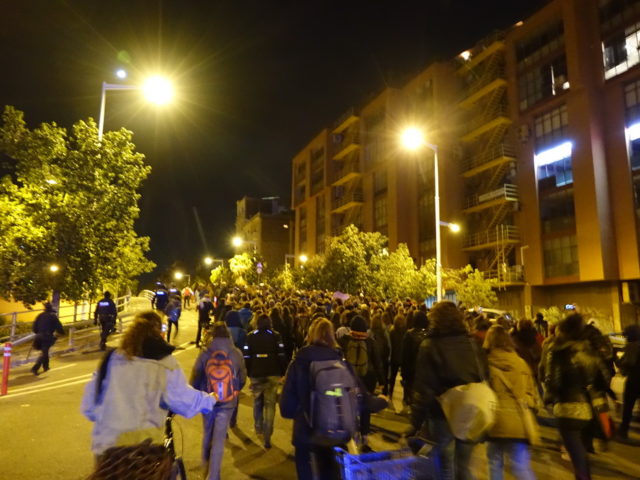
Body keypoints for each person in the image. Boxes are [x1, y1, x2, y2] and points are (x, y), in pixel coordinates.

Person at [81, 311, 216, 455]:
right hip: (143, 451)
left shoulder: (111, 359)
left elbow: (89, 407)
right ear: (159, 332)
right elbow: (182, 399)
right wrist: (210, 400)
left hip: (107, 451)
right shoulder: (164, 362)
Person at [410, 301, 487, 480]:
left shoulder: (429, 345)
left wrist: (416, 421)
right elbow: (483, 374)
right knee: (463, 466)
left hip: (442, 414)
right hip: (470, 410)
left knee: (446, 467)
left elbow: (424, 388)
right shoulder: (472, 343)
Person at [279, 318, 353, 480]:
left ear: (310, 335)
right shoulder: (341, 362)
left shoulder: (298, 362)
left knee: (306, 471)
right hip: (334, 431)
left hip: (305, 432)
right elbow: (354, 396)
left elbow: (286, 407)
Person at [544, 313, 611, 480]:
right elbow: (604, 379)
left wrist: (551, 396)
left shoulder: (558, 352)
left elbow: (553, 383)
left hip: (567, 408)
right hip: (589, 409)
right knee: (582, 452)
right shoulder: (590, 351)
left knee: (577, 454)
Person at [191, 322, 246, 480]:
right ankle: (213, 475)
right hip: (227, 402)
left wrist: (198, 394)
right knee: (219, 439)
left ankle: (205, 468)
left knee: (208, 434)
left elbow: (195, 375)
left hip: (208, 400)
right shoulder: (236, 353)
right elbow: (242, 377)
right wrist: (235, 390)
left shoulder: (205, 353)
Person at [484, 325, 538, 480]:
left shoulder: (487, 364)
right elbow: (532, 393)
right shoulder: (521, 363)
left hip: (495, 421)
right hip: (519, 420)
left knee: (495, 463)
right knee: (521, 466)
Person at [243, 313, 287, 448]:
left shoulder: (251, 336)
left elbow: (246, 355)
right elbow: (281, 354)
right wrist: (282, 371)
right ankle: (268, 431)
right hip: (273, 372)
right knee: (270, 404)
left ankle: (258, 427)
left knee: (257, 401)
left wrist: (249, 372)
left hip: (256, 372)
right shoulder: (276, 335)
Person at [616, 324, 640, 439]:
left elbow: (628, 363)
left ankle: (623, 431)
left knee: (628, 407)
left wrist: (618, 361)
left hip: (634, 381)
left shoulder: (632, 346)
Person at [401, 310, 429, 406]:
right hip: (423, 371)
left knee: (410, 394)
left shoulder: (409, 334)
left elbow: (405, 356)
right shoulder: (427, 335)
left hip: (411, 370)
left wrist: (404, 373)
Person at [31, 302, 64, 375]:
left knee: (45, 351)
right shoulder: (53, 316)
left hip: (38, 336)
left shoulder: (40, 315)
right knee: (44, 353)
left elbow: (34, 328)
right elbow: (59, 328)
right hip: (47, 337)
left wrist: (39, 332)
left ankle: (46, 367)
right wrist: (60, 334)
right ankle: (35, 368)